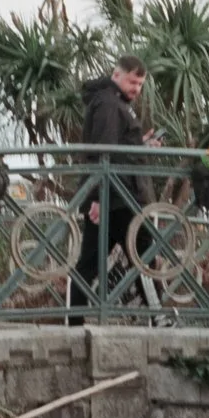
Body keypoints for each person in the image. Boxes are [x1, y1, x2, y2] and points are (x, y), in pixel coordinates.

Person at [73, 55, 150, 310]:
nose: (136, 89)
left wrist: (143, 145)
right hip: (117, 197)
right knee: (143, 257)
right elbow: (102, 151)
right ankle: (159, 316)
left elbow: (115, 148)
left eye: (140, 85)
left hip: (118, 195)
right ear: (116, 76)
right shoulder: (108, 104)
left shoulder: (112, 102)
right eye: (132, 82)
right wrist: (97, 198)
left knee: (93, 262)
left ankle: (75, 318)